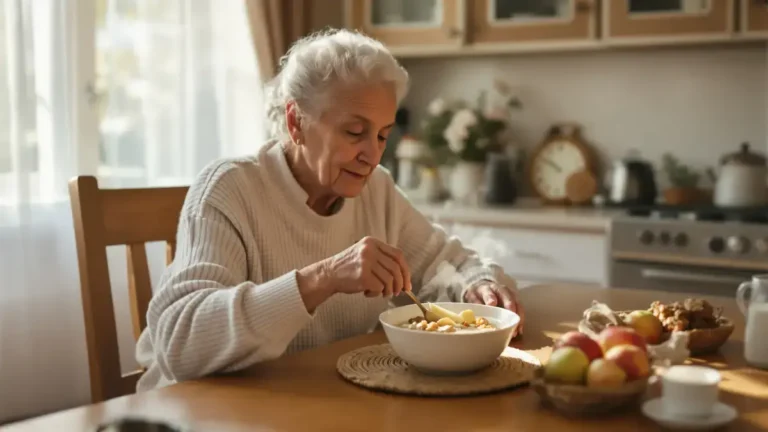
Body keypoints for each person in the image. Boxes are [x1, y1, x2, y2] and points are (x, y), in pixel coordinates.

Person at [135, 28, 525, 391]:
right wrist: (323, 277)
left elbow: (447, 263)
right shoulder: (228, 189)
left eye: (383, 134)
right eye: (354, 132)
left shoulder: (377, 191)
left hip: (315, 400)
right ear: (296, 122)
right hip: (201, 411)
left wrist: (480, 284)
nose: (372, 154)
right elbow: (180, 342)